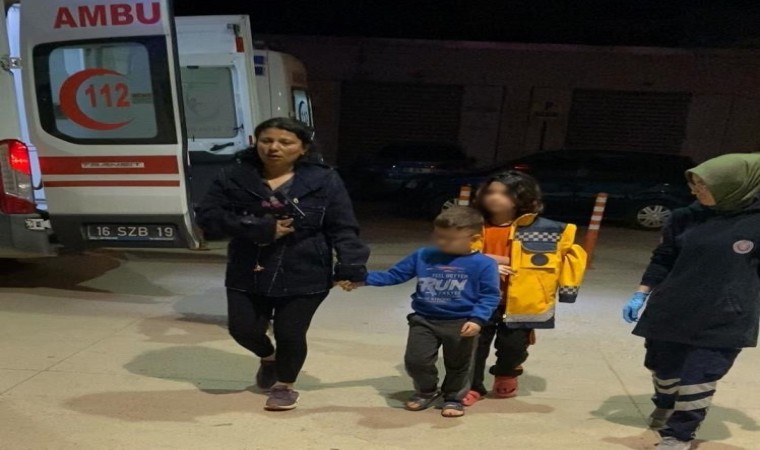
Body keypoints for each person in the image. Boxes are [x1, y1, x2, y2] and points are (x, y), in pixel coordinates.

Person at [196, 117, 370, 411]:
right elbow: (208, 216)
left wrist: (351, 266)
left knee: (290, 333)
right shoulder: (234, 176)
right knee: (243, 329)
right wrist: (260, 228)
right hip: (247, 266)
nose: (274, 147)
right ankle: (268, 357)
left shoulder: (325, 180)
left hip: (306, 267)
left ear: (303, 148)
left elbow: (343, 226)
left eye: (285, 142)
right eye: (266, 140)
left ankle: (284, 385)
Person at [622, 153, 760, 450]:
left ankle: (679, 434)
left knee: (699, 377)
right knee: (662, 368)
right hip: (672, 309)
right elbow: (663, 258)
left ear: (731, 186)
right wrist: (641, 293)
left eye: (703, 185)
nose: (695, 191)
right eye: (694, 184)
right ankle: (665, 403)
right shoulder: (684, 217)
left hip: (725, 315)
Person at [340, 206, 501, 417]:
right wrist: (363, 280)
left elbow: (490, 295)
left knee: (459, 364)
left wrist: (478, 319)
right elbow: (394, 275)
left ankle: (453, 397)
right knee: (416, 361)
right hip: (424, 319)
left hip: (461, 322)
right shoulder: (424, 255)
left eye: (449, 239)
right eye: (438, 235)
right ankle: (426, 390)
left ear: (474, 238)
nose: (441, 242)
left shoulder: (484, 264)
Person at [463, 171, 588, 406]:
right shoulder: (469, 225)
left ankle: (507, 372)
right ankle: (471, 386)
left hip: (523, 300)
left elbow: (570, 260)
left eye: (505, 193)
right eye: (490, 192)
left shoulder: (551, 230)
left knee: (513, 347)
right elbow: (450, 252)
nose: (495, 197)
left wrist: (568, 292)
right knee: (472, 346)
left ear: (523, 197)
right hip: (477, 299)